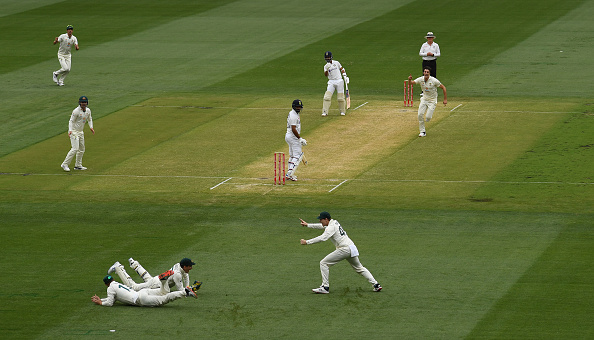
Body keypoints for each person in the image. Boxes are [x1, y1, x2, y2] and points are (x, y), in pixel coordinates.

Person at [299, 211, 382, 294]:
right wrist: (308, 225)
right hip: (351, 247)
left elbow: (323, 238)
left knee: (324, 263)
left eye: (321, 219)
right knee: (360, 268)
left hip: (344, 249)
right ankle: (376, 284)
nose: (319, 221)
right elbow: (323, 226)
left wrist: (307, 242)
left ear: (326, 219)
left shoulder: (330, 227)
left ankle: (325, 287)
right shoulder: (334, 222)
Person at [91, 275, 196, 307]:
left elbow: (110, 303)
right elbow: (112, 299)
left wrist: (100, 303)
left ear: (106, 284)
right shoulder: (117, 284)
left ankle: (185, 292)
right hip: (143, 292)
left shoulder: (110, 288)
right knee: (163, 292)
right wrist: (102, 299)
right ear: (112, 280)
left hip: (141, 299)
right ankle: (163, 282)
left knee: (164, 299)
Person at [108, 257, 195, 294]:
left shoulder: (179, 265)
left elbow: (186, 276)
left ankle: (134, 264)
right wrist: (190, 291)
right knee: (134, 287)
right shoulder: (177, 274)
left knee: (147, 278)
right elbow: (180, 290)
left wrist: (188, 287)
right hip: (156, 285)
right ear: (184, 266)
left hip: (158, 280)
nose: (191, 268)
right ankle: (118, 268)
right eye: (190, 266)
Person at [408, 67, 447, 137]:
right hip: (424, 99)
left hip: (432, 100)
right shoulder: (420, 79)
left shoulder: (434, 80)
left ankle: (428, 118)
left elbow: (443, 87)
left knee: (428, 118)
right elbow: (411, 83)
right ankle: (422, 132)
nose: (426, 73)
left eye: (427, 72)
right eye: (425, 72)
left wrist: (445, 99)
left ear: (429, 73)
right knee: (420, 115)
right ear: (423, 72)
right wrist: (409, 79)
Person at [61, 96, 94, 172]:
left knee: (82, 149)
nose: (83, 104)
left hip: (81, 132)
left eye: (85, 102)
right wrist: (70, 130)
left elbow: (90, 119)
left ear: (87, 103)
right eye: (82, 102)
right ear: (79, 102)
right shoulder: (76, 111)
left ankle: (78, 165)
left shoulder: (88, 111)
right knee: (75, 148)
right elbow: (71, 121)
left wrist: (91, 127)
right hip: (74, 132)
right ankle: (65, 164)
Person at [284, 99, 307, 181]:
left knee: (293, 156)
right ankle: (289, 174)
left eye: (300, 107)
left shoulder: (294, 113)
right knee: (297, 156)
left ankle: (290, 173)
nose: (298, 108)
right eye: (297, 107)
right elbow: (293, 129)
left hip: (289, 137)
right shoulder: (293, 115)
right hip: (293, 137)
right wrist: (299, 138)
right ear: (294, 106)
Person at [322, 51, 349, 116]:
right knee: (327, 97)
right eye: (326, 57)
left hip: (339, 81)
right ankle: (325, 112)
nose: (328, 59)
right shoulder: (325, 66)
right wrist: (327, 69)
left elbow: (342, 68)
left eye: (328, 57)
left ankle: (342, 111)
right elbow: (325, 75)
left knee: (340, 98)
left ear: (331, 57)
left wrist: (345, 75)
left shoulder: (336, 62)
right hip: (331, 82)